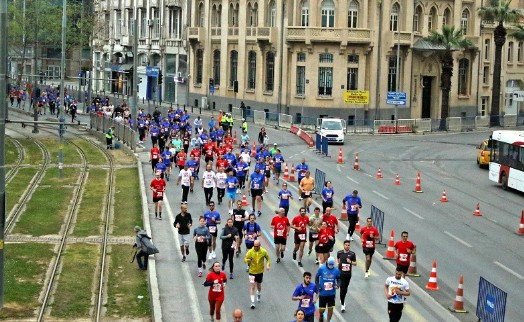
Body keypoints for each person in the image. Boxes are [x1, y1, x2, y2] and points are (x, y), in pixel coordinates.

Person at [244, 240, 270, 309]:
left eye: (257, 246)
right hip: (252, 272)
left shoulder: (263, 251)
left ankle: (259, 293)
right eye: (254, 246)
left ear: (260, 245)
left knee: (259, 286)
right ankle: (252, 302)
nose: (255, 247)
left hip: (260, 272)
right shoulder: (250, 251)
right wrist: (248, 260)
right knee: (252, 286)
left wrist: (267, 265)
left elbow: (268, 259)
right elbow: (245, 259)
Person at [315, 257, 341, 322]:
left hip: (331, 293)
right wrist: (318, 285)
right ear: (327, 263)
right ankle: (321, 315)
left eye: (332, 265)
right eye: (330, 264)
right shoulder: (322, 269)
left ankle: (328, 320)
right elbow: (316, 277)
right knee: (322, 310)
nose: (331, 266)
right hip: (323, 293)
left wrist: (337, 285)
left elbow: (339, 279)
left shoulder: (336, 270)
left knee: (330, 308)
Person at [336, 240, 357, 312]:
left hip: (348, 274)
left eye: (348, 245)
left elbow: (355, 263)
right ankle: (342, 304)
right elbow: (337, 259)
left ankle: (342, 298)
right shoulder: (339, 253)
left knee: (345, 288)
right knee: (342, 288)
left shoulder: (352, 254)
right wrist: (338, 263)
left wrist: (350, 262)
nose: (347, 246)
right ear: (343, 245)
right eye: (346, 245)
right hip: (341, 274)